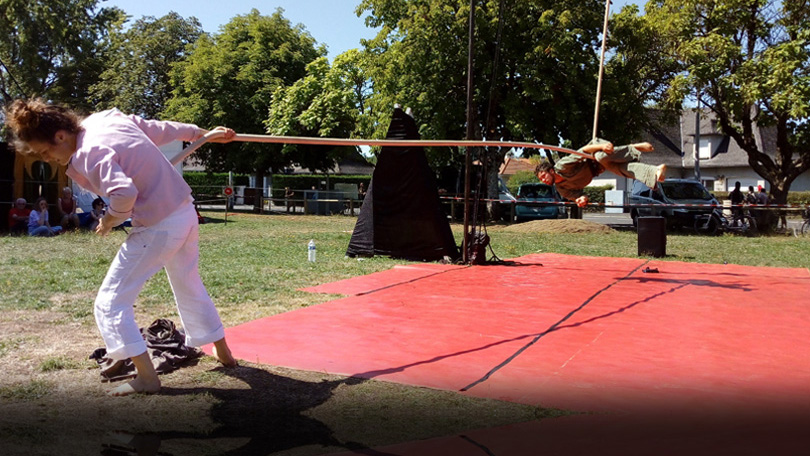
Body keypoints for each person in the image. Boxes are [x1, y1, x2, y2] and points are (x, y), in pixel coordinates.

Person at [5, 98, 237, 396]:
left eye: (46, 151)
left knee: (110, 303)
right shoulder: (105, 119)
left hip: (159, 226)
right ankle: (223, 351)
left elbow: (124, 193)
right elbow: (157, 129)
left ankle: (146, 378)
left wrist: (110, 218)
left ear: (60, 136)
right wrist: (200, 133)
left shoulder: (89, 153)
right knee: (188, 282)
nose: (48, 159)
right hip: (185, 212)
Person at [535, 138, 666, 207]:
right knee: (622, 170)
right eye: (541, 180)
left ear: (551, 170)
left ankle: (632, 148)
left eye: (543, 176)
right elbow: (580, 196)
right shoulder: (562, 189)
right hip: (598, 168)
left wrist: (601, 146)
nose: (543, 181)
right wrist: (581, 199)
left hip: (594, 150)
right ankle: (655, 171)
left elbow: (583, 151)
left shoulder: (562, 166)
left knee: (601, 156)